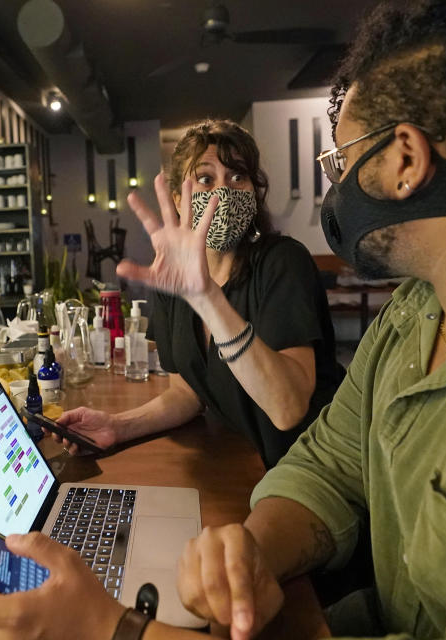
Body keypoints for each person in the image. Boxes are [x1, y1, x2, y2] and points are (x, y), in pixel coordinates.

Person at [0, 0, 446, 638]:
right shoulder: (415, 312)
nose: (337, 187)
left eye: (342, 161)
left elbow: (290, 409)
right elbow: (327, 467)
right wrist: (250, 553)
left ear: (406, 160)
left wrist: (111, 629)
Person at [54, 120, 342, 469]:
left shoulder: (282, 262)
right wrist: (117, 426)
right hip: (248, 462)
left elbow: (287, 409)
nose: (224, 191)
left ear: (254, 192)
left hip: (318, 467)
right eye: (206, 179)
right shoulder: (176, 280)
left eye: (239, 177)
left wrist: (206, 296)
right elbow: (187, 392)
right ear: (178, 199)